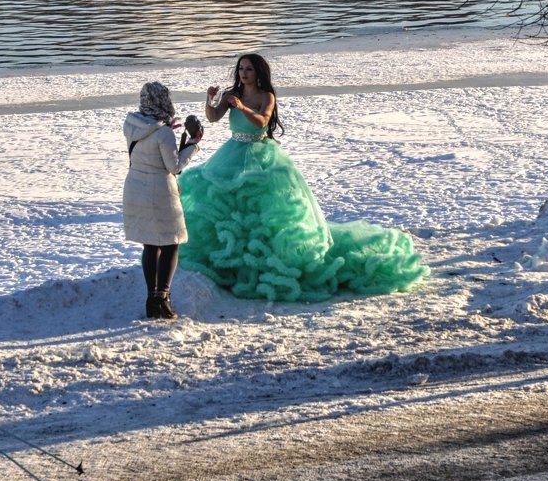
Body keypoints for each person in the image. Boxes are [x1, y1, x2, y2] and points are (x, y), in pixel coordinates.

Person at [179, 53, 428, 302]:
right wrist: (209, 100)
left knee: (266, 208)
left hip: (260, 155)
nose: (244, 73)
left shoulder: (267, 96)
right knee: (227, 205)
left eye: (249, 69)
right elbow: (213, 118)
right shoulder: (230, 94)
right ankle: (230, 261)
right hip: (231, 154)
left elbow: (262, 122)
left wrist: (243, 107)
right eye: (241, 68)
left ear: (258, 73)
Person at [123, 81, 202, 319]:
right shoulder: (164, 133)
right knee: (170, 243)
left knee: (150, 244)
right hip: (160, 191)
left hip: (135, 187)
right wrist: (193, 144)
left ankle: (150, 298)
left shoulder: (131, 125)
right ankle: (163, 298)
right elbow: (174, 166)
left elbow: (150, 141)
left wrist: (166, 127)